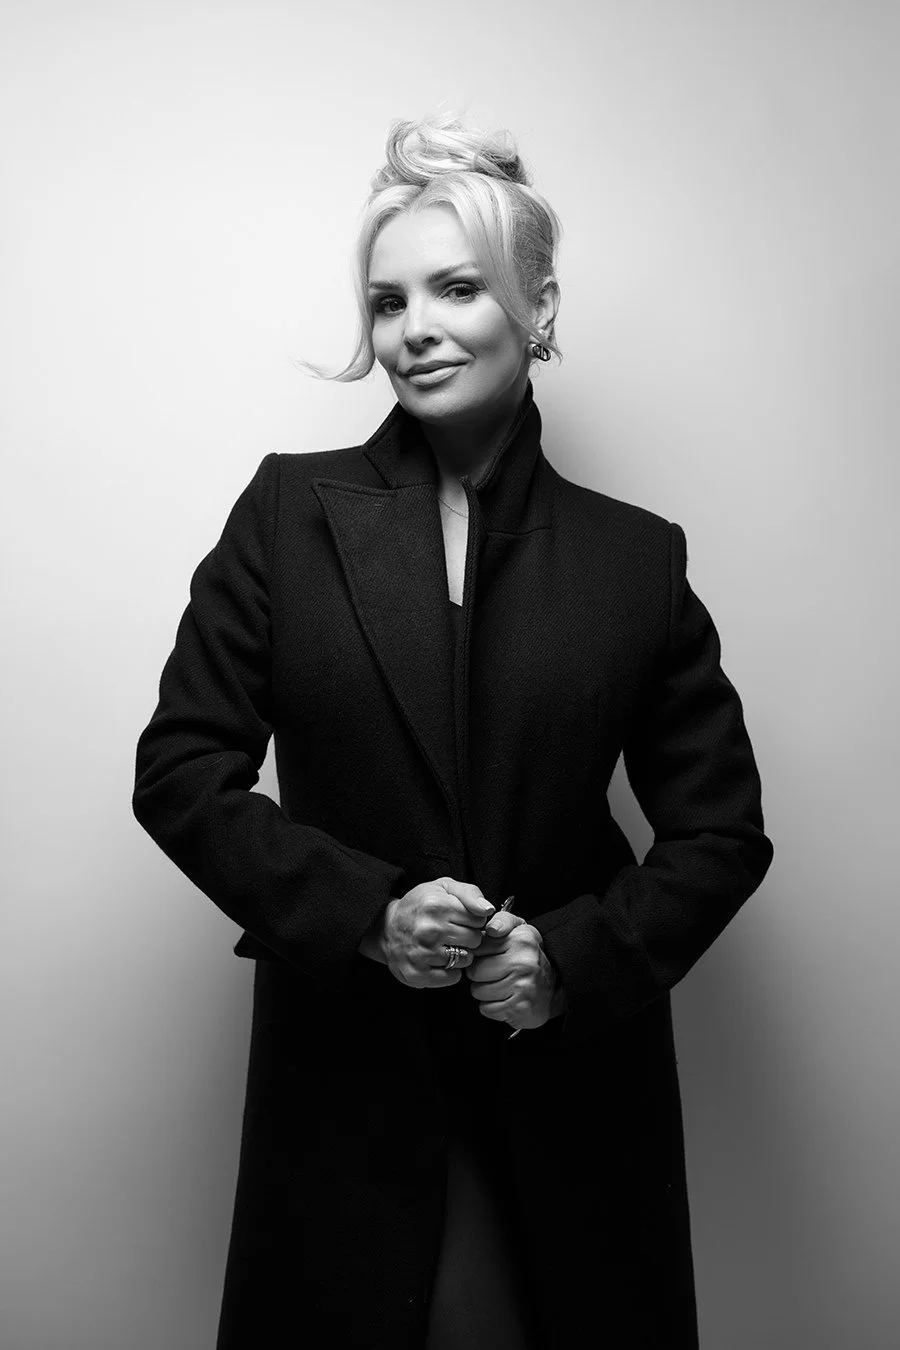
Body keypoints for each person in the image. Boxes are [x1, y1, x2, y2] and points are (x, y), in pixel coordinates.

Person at [132, 112, 774, 1350]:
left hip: (573, 1088)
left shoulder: (634, 558)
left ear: (537, 306)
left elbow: (721, 832)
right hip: (350, 1081)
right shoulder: (285, 514)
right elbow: (182, 773)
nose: (414, 327)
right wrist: (369, 914)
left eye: (457, 287)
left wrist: (569, 966)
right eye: (387, 301)